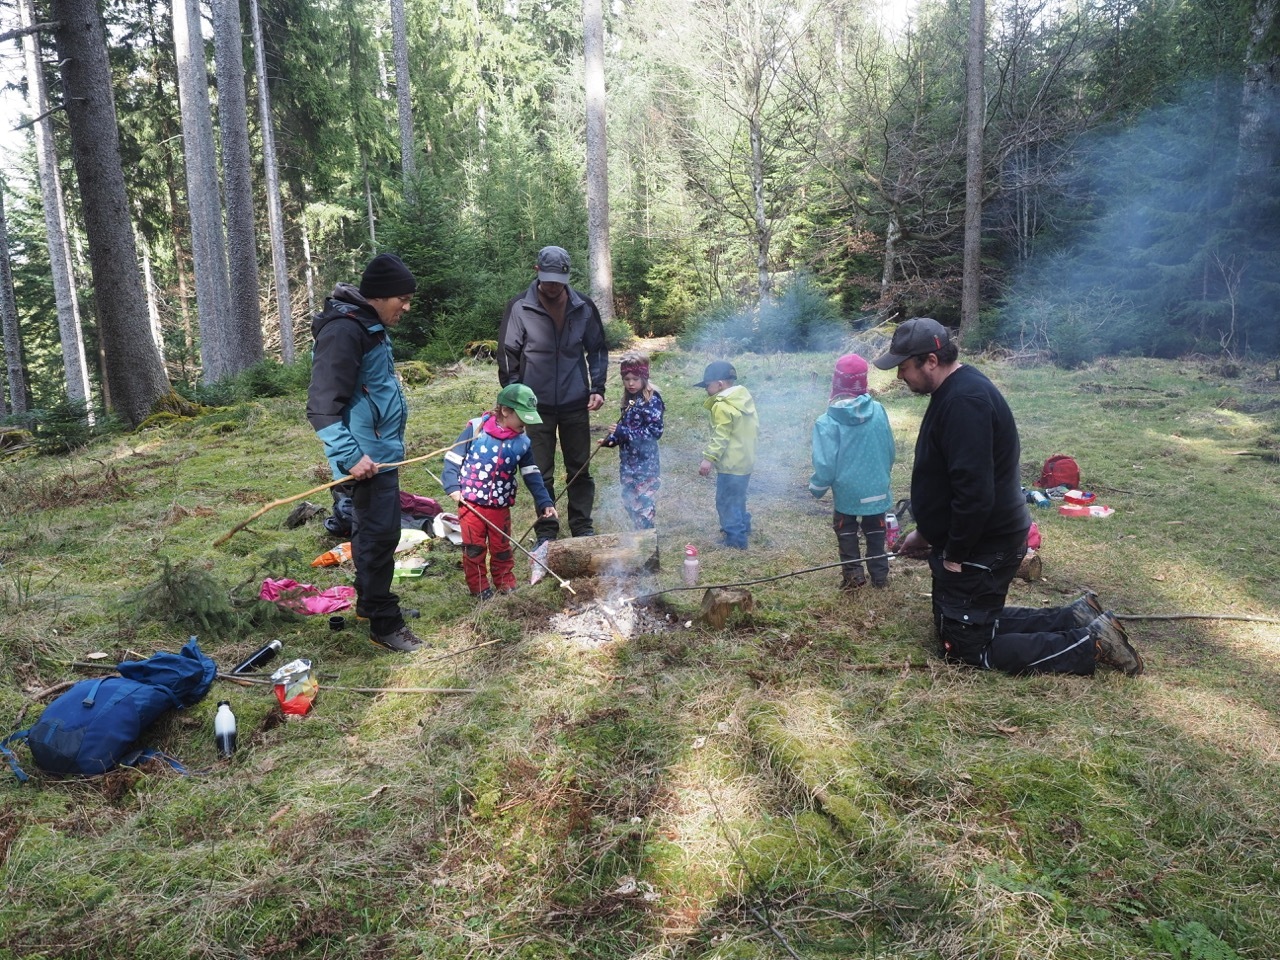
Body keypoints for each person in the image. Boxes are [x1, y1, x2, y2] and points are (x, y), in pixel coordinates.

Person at [874, 317, 1144, 677]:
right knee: (955, 623)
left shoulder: (965, 401)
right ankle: (1075, 617)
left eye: (904, 367)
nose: (899, 376)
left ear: (931, 361)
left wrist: (955, 553)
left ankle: (1091, 643)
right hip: (980, 537)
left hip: (984, 544)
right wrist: (926, 534)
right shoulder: (956, 390)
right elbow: (952, 481)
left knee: (965, 648)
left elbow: (974, 491)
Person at [306, 253, 423, 652]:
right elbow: (321, 406)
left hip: (378, 454)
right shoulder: (344, 331)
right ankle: (384, 625)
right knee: (378, 536)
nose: (406, 307)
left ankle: (371, 604)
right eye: (402, 299)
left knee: (378, 534)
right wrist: (352, 456)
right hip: (364, 460)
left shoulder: (368, 325)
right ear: (379, 296)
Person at [498, 245, 608, 545]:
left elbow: (597, 349)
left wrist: (598, 387)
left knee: (580, 468)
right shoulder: (520, 306)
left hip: (575, 401)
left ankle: (582, 527)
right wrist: (514, 398)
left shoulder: (583, 306)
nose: (552, 286)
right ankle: (546, 531)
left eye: (558, 281)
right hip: (535, 407)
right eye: (547, 280)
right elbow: (508, 354)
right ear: (537, 272)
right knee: (540, 472)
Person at [441, 384, 558, 599]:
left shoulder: (522, 442)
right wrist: (452, 486)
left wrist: (544, 501)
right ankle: (479, 588)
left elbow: (531, 473)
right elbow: (453, 458)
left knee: (501, 547)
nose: (525, 425)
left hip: (499, 505)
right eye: (522, 419)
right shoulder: (476, 430)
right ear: (505, 411)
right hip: (470, 503)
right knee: (474, 548)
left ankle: (505, 582)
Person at [808, 353, 896, 590]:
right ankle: (880, 577)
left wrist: (817, 487)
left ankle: (854, 576)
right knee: (876, 531)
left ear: (836, 383)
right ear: (863, 381)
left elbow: (825, 464)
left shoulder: (827, 421)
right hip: (877, 487)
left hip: (848, 491)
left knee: (845, 530)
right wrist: (884, 475)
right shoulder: (878, 410)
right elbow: (889, 448)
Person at [696, 360, 759, 550]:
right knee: (738, 497)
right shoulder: (743, 399)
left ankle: (735, 539)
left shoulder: (722, 406)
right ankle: (744, 527)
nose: (706, 390)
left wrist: (709, 458)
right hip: (745, 461)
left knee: (725, 501)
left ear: (720, 384)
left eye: (707, 385)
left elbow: (721, 436)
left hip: (731, 465)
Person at [600, 353, 664, 530]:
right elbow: (626, 428)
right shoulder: (630, 401)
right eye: (626, 379)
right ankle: (640, 533)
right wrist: (613, 439)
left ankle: (647, 537)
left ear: (644, 377)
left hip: (645, 465)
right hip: (628, 464)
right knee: (629, 501)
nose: (631, 383)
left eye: (635, 379)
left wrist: (623, 432)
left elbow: (654, 432)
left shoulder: (652, 400)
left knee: (643, 502)